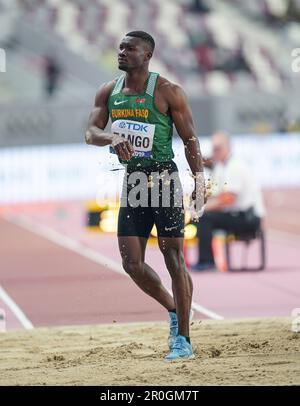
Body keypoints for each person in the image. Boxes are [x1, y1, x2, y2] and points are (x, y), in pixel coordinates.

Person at [85, 31, 205, 360]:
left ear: (147, 55)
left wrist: (199, 182)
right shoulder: (109, 91)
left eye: (130, 48)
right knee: (132, 263)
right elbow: (89, 132)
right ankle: (173, 309)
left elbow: (190, 139)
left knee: (173, 257)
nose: (122, 52)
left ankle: (183, 339)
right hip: (134, 180)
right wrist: (110, 137)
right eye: (121, 47)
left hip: (164, 178)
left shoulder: (167, 91)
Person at [192, 131, 265, 271]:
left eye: (218, 148)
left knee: (205, 218)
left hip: (248, 218)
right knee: (201, 216)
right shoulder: (222, 167)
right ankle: (203, 259)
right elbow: (217, 196)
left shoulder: (235, 166)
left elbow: (228, 199)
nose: (215, 152)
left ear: (228, 147)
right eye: (213, 149)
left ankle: (206, 261)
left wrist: (203, 209)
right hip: (237, 214)